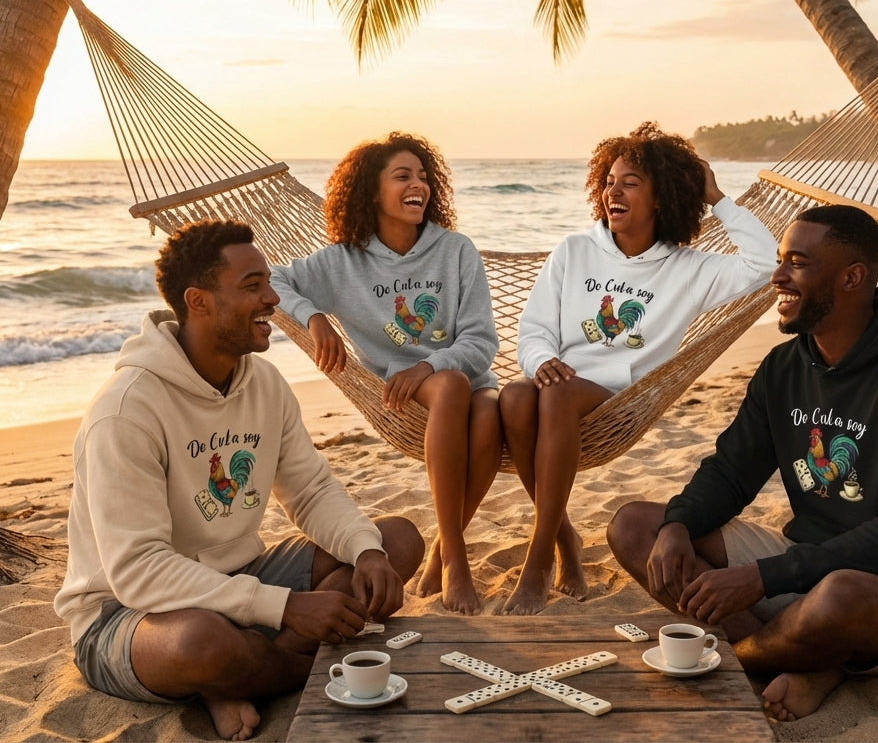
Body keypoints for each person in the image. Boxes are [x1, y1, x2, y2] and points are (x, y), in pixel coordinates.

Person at [607, 204, 878, 721]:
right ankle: (801, 654)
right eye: (781, 259)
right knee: (634, 526)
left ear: (853, 277)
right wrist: (679, 522)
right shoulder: (784, 366)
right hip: (804, 561)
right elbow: (732, 470)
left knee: (838, 598)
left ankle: (744, 658)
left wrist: (762, 578)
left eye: (798, 263)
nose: (777, 275)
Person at [54, 219, 424, 742]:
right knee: (200, 645)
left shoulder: (264, 384)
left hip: (240, 575)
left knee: (396, 541)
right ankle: (245, 672)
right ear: (199, 302)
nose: (273, 298)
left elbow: (312, 491)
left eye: (268, 283)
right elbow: (137, 571)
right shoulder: (126, 411)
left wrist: (365, 551)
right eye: (252, 286)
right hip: (126, 614)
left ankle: (241, 674)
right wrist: (286, 608)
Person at [499, 122, 777, 615]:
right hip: (558, 388)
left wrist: (718, 198)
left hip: (624, 397)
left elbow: (763, 263)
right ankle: (562, 536)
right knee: (516, 397)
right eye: (609, 181)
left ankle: (539, 558)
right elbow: (534, 327)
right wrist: (540, 361)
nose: (613, 191)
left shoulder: (688, 268)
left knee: (553, 395)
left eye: (629, 182)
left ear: (661, 199)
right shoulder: (574, 251)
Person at [270, 131, 501, 615]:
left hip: (463, 378)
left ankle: (444, 549)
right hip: (399, 389)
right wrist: (314, 318)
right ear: (371, 192)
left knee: (487, 412)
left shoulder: (456, 251)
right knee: (454, 387)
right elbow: (272, 279)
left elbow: (482, 342)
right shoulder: (343, 261)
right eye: (403, 176)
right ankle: (455, 560)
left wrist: (429, 365)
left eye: (423, 176)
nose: (418, 184)